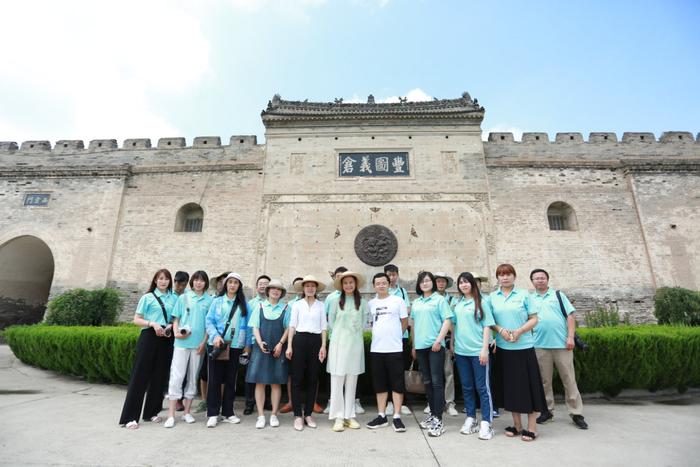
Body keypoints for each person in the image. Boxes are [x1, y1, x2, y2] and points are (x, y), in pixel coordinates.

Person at [489, 264, 546, 442]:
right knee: (511, 388)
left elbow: (534, 318)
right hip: (504, 349)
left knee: (529, 388)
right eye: (501, 275)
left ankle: (532, 427)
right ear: (497, 278)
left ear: (514, 276)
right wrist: (500, 331)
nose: (505, 278)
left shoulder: (524, 295)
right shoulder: (492, 297)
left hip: (524, 348)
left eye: (508, 274)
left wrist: (520, 331)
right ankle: (517, 425)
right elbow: (490, 321)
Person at [119, 269, 177, 429]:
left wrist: (171, 326)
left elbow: (176, 317)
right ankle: (130, 417)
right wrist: (152, 323)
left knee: (160, 375)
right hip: (149, 337)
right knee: (140, 375)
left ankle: (151, 412)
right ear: (155, 281)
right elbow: (136, 319)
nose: (163, 281)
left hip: (167, 337)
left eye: (166, 279)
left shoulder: (174, 298)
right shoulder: (148, 297)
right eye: (160, 278)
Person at [530, 268, 588, 429]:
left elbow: (570, 316)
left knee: (569, 379)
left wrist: (570, 337)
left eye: (542, 278)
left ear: (547, 280)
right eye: (536, 278)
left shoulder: (558, 295)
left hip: (562, 345)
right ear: (532, 282)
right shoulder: (530, 299)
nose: (539, 280)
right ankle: (547, 411)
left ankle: (576, 413)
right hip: (539, 345)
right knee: (544, 381)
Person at [163, 270, 212, 428]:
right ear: (192, 282)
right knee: (176, 376)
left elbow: (208, 325)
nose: (199, 283)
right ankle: (171, 414)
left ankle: (187, 412)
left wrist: (204, 343)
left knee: (193, 377)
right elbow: (176, 318)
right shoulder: (183, 298)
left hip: (198, 345)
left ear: (206, 283)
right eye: (196, 280)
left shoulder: (209, 301)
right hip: (181, 344)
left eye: (202, 280)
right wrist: (177, 333)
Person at [452, 272, 495, 440]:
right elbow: (454, 325)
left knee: (482, 388)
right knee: (467, 387)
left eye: (466, 282)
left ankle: (486, 422)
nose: (464, 285)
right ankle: (471, 418)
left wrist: (484, 349)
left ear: (472, 284)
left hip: (478, 351)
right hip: (461, 352)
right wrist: (452, 344)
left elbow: (487, 326)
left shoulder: (482, 302)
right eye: (461, 283)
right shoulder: (458, 303)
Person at [205, 272, 250, 428]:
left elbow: (249, 325)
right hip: (218, 344)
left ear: (239, 286)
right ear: (225, 285)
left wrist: (247, 345)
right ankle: (212, 413)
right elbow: (209, 321)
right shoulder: (217, 301)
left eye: (236, 283)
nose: (232, 285)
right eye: (230, 282)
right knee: (215, 380)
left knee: (231, 380)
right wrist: (215, 336)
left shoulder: (244, 304)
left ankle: (228, 412)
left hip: (236, 345)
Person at [411, 271, 453, 437]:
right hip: (421, 347)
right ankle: (432, 415)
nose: (425, 283)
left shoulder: (440, 299)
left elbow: (447, 320)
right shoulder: (417, 302)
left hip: (435, 346)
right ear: (419, 285)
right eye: (422, 281)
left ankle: (439, 419)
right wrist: (414, 345)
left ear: (433, 283)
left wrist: (438, 340)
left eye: (428, 280)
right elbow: (413, 325)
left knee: (437, 382)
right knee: (427, 381)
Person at [366, 272, 408, 433]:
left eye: (384, 282)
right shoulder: (371, 303)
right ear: (374, 285)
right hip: (377, 349)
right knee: (380, 384)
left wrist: (396, 335)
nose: (381, 285)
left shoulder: (398, 301)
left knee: (397, 383)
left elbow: (404, 321)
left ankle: (397, 416)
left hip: (395, 349)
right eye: (378, 283)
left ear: (389, 284)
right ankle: (381, 415)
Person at [326, 271, 368, 432]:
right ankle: (338, 416)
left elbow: (364, 324)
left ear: (355, 284)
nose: (348, 285)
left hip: (355, 346)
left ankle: (349, 416)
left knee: (352, 381)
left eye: (351, 282)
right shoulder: (336, 301)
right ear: (342, 286)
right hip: (338, 345)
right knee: (337, 380)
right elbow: (330, 323)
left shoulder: (362, 303)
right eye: (345, 283)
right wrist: (338, 336)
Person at [246, 279, 291, 429]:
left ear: (281, 293)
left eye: (279, 289)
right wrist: (259, 343)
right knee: (260, 382)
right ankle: (260, 415)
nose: (275, 291)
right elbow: (255, 327)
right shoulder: (259, 306)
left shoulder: (285, 308)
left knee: (276, 382)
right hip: (261, 348)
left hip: (278, 349)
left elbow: (289, 328)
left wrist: (281, 344)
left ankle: (273, 415)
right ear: (268, 291)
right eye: (273, 289)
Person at [286, 275, 327, 431]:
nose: (310, 288)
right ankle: (297, 415)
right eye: (307, 285)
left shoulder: (321, 306)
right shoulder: (297, 305)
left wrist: (323, 346)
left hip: (316, 341)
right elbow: (292, 326)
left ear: (316, 288)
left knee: (313, 378)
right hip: (299, 341)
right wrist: (289, 346)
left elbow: (324, 327)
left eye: (312, 285)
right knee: (296, 378)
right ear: (303, 288)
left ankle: (308, 414)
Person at [426, 272, 459, 417]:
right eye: (438, 281)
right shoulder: (428, 299)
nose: (440, 283)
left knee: (448, 372)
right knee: (432, 374)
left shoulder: (452, 300)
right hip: (430, 341)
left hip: (445, 340)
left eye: (443, 281)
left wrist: (452, 342)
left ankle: (449, 403)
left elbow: (453, 323)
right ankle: (431, 403)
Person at [244, 274, 271, 415]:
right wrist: (247, 344)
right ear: (256, 286)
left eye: (266, 283)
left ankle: (266, 402)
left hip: (268, 343)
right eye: (261, 283)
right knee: (252, 374)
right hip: (254, 344)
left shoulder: (273, 303)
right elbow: (248, 326)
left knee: (266, 373)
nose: (263, 285)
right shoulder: (251, 304)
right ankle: (249, 403)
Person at [280, 276, 304, 415]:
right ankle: (291, 401)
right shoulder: (290, 304)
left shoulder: (317, 302)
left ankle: (312, 402)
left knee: (312, 374)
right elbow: (288, 324)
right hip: (293, 341)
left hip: (309, 342)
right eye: (298, 285)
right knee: (292, 374)